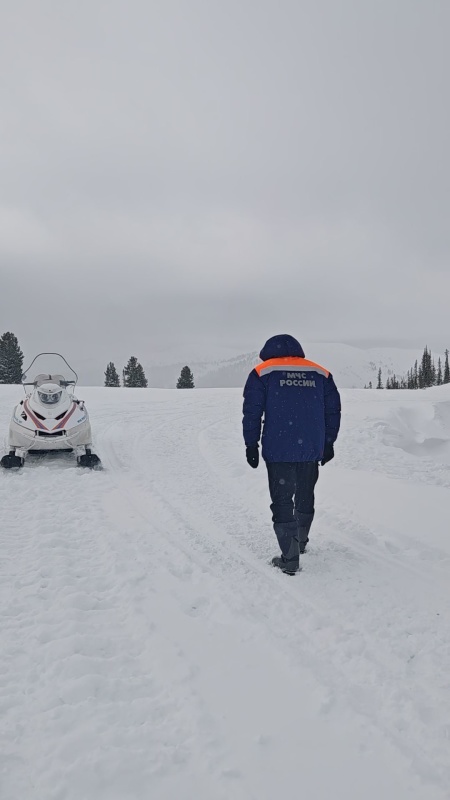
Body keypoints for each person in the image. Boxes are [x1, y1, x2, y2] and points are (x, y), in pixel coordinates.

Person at [242, 334, 341, 575]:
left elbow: (252, 412)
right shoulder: (321, 373)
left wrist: (251, 444)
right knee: (306, 494)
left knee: (283, 500)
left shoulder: (262, 372)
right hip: (310, 447)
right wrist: (328, 443)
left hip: (278, 449)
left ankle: (290, 556)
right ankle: (302, 541)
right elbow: (333, 411)